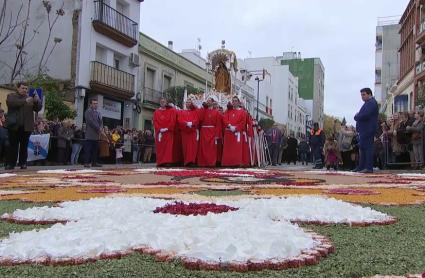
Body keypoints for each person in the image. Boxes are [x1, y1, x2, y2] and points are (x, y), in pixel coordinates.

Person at [5, 82, 42, 170]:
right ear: (18, 88)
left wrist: (37, 101)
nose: (25, 90)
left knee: (24, 146)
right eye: (23, 88)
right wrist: (25, 101)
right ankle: (10, 164)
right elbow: (12, 103)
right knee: (13, 146)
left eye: (26, 88)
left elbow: (38, 109)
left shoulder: (29, 98)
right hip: (14, 126)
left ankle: (23, 163)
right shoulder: (11, 96)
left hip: (26, 127)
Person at [354, 88, 379, 173]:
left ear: (369, 94)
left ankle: (368, 167)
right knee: (363, 148)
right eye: (361, 95)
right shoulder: (368, 103)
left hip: (368, 129)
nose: (362, 96)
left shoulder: (371, 103)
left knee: (367, 148)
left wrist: (356, 116)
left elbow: (366, 115)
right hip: (365, 129)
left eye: (364, 94)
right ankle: (361, 167)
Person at [221, 96, 247, 167]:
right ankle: (227, 163)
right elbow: (224, 118)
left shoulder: (242, 112)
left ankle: (236, 163)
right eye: (233, 101)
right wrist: (229, 125)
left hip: (237, 133)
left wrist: (236, 128)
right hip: (229, 132)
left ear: (238, 102)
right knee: (228, 149)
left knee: (236, 149)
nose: (234, 102)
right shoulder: (228, 110)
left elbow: (243, 122)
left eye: (235, 101)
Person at [197, 96, 222, 167]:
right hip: (204, 131)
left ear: (212, 102)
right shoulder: (203, 110)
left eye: (209, 101)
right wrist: (203, 108)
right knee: (203, 147)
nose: (208, 102)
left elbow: (218, 124)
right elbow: (200, 118)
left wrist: (217, 135)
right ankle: (202, 162)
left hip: (212, 132)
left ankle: (211, 162)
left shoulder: (216, 112)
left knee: (211, 148)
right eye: (207, 101)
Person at [153, 97, 177, 166]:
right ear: (160, 103)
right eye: (161, 101)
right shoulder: (156, 111)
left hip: (168, 132)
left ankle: (167, 162)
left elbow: (173, 120)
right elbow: (155, 121)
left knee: (168, 148)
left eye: (164, 101)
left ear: (166, 103)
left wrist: (168, 128)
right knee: (160, 148)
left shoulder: (171, 110)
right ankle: (160, 162)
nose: (162, 103)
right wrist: (159, 129)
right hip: (160, 132)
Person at [177, 98, 200, 166]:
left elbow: (197, 120)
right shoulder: (181, 112)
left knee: (193, 147)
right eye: (187, 102)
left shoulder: (195, 112)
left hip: (192, 132)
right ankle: (186, 161)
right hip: (185, 132)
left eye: (189, 102)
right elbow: (179, 120)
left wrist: (192, 123)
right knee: (186, 147)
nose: (188, 104)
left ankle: (192, 161)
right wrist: (186, 124)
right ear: (185, 104)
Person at [83, 98, 103, 168]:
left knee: (95, 150)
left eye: (96, 103)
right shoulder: (88, 111)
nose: (95, 105)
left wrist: (101, 127)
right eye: (94, 103)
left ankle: (94, 162)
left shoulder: (98, 112)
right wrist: (98, 128)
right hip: (89, 135)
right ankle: (86, 163)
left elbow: (100, 121)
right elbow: (91, 122)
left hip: (96, 135)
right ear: (90, 104)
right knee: (88, 150)